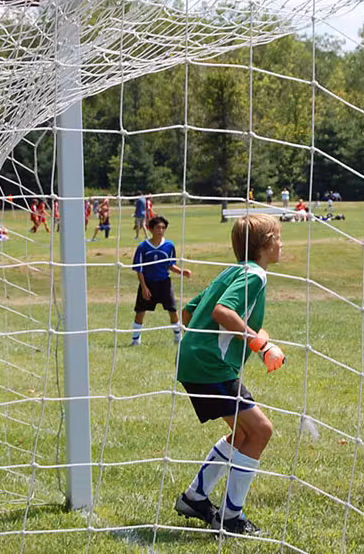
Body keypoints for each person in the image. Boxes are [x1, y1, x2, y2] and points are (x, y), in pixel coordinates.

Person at [172, 214, 286, 535]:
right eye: (277, 238)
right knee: (261, 431)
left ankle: (195, 497)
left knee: (243, 435)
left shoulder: (232, 271)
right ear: (264, 245)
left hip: (194, 362)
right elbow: (223, 312)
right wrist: (260, 345)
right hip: (211, 365)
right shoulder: (256, 275)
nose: (281, 244)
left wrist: (243, 335)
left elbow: (189, 312)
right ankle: (231, 517)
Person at [131, 215, 192, 346]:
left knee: (173, 311)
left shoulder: (169, 245)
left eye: (163, 228)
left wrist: (181, 272)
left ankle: (178, 339)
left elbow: (170, 264)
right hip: (148, 283)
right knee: (140, 311)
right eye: (158, 227)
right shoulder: (143, 247)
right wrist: (144, 287)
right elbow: (139, 269)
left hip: (164, 283)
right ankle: (136, 341)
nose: (161, 230)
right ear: (151, 229)